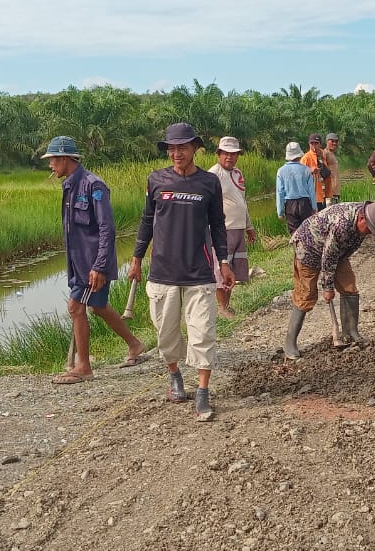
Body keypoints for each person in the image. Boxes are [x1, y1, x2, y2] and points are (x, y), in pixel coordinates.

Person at [129, 123, 233, 422]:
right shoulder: (156, 180)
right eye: (172, 148)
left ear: (194, 148)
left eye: (182, 148)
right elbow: (147, 220)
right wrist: (136, 259)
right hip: (162, 272)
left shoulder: (209, 183)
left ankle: (202, 391)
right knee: (166, 335)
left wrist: (223, 261)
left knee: (202, 333)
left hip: (199, 273)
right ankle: (175, 375)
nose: (177, 153)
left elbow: (218, 224)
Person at [42, 135, 146, 384]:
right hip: (78, 263)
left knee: (75, 307)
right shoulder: (69, 186)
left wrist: (99, 266)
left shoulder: (93, 185)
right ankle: (135, 344)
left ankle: (83, 367)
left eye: (53, 159)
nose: (50, 165)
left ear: (65, 158)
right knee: (97, 307)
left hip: (93, 265)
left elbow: (106, 228)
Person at [283, 201, 375, 359]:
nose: (369, 233)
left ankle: (350, 333)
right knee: (305, 295)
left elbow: (340, 252)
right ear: (362, 218)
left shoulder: (363, 221)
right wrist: (328, 287)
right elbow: (328, 257)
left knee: (349, 287)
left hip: (337, 252)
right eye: (369, 229)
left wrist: (337, 272)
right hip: (308, 248)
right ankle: (290, 343)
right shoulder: (341, 224)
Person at [207, 136, 256, 319]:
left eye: (233, 154)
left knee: (233, 268)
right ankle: (222, 307)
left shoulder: (237, 174)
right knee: (221, 267)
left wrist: (249, 226)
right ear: (219, 154)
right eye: (225, 153)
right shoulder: (213, 174)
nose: (229, 157)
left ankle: (227, 305)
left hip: (238, 228)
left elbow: (242, 201)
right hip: (223, 229)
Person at [276, 141, 318, 234]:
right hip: (305, 204)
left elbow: (280, 193)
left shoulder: (281, 171)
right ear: (299, 155)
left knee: (294, 233)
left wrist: (280, 211)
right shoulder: (306, 170)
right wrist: (314, 207)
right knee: (307, 231)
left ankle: (296, 243)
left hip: (290, 205)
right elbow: (311, 191)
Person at [300, 133, 331, 209]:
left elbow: (327, 175)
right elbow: (300, 176)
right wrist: (310, 171)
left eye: (316, 143)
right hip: (313, 197)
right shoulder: (306, 158)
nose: (314, 145)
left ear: (320, 144)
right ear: (309, 144)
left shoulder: (322, 155)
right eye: (312, 143)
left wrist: (329, 195)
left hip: (324, 195)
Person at [322, 132, 342, 205]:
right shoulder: (324, 153)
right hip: (329, 191)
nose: (334, 143)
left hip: (335, 190)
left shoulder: (332, 154)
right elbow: (323, 171)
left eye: (336, 141)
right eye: (332, 141)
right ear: (327, 141)